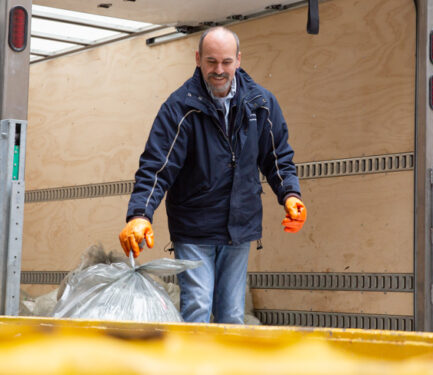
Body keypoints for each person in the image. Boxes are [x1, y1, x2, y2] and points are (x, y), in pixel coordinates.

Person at [119, 26, 307, 324]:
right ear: (198, 59)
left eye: (226, 62)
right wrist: (140, 214)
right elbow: (157, 165)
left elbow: (277, 156)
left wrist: (291, 194)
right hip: (195, 228)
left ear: (238, 60)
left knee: (232, 315)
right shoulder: (180, 107)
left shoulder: (261, 104)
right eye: (211, 62)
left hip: (239, 226)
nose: (219, 70)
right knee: (198, 309)